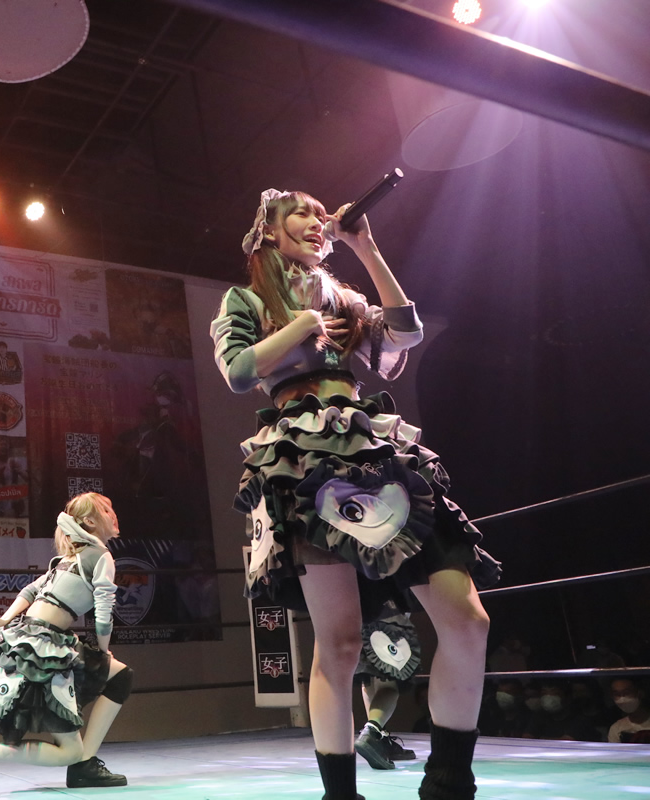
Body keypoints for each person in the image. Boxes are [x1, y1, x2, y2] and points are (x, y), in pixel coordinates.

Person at [210, 189, 501, 800]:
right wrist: (301, 325)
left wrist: (366, 247)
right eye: (302, 213)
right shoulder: (248, 298)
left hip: (373, 446)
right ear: (269, 229)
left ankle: (449, 781)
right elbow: (238, 373)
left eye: (323, 216)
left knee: (467, 619)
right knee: (339, 643)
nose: (317, 223)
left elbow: (405, 334)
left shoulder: (342, 296)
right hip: (301, 457)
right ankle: (340, 794)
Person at [0, 493, 134, 797]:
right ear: (89, 521)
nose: (112, 514)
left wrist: (4, 620)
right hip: (44, 646)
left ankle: (85, 765)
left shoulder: (67, 559)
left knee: (120, 676)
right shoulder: (99, 556)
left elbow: (31, 590)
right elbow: (103, 613)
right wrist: (103, 650)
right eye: (106, 509)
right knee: (69, 751)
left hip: (36, 640)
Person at [353, 601, 420, 770]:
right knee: (389, 686)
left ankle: (380, 740)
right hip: (386, 615)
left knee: (368, 678)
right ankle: (372, 733)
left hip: (355, 618)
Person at [608, 678, 650, 743]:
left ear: (640, 693)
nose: (622, 698)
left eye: (626, 693)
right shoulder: (616, 728)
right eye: (617, 694)